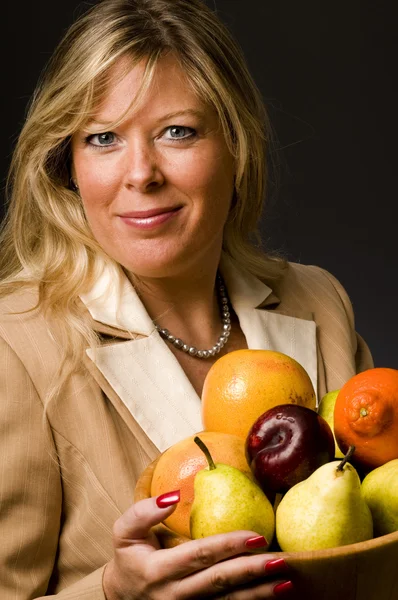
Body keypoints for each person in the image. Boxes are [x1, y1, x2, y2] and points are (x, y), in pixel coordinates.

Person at [0, 0, 373, 598]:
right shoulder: (13, 344)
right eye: (102, 138)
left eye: (177, 131)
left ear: (235, 144)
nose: (141, 172)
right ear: (67, 165)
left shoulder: (319, 300)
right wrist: (112, 593)